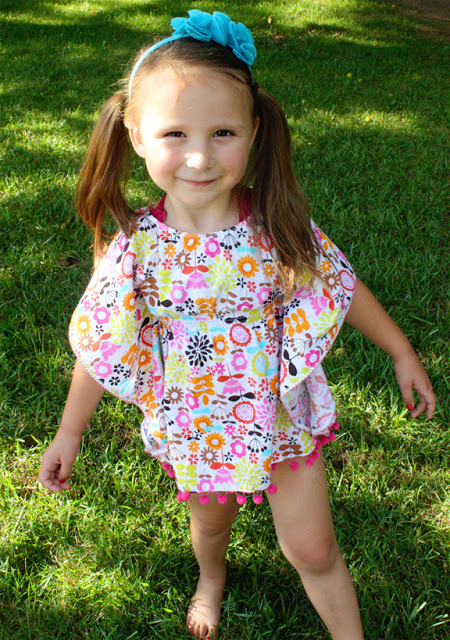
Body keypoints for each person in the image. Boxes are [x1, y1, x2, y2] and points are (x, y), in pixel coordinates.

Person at [38, 10, 436, 640]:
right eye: (174, 134)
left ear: (254, 131)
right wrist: (68, 435)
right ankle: (212, 579)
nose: (199, 156)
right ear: (135, 134)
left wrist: (401, 352)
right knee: (211, 526)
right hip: (196, 422)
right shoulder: (137, 249)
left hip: (280, 418)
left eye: (222, 131)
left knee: (312, 549)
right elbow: (104, 344)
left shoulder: (275, 228)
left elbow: (339, 286)